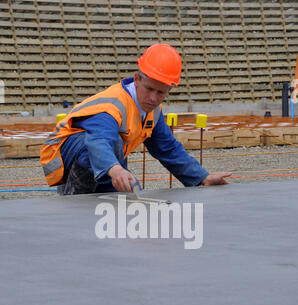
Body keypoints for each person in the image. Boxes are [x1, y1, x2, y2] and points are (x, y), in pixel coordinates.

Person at [40, 43, 231, 194]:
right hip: (63, 156)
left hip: (99, 157)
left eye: (161, 92)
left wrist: (202, 178)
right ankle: (74, 197)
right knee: (112, 148)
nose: (154, 98)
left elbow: (168, 148)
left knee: (126, 189)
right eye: (149, 89)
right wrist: (116, 170)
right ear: (137, 79)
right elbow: (98, 141)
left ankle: (105, 192)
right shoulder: (113, 105)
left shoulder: (152, 111)